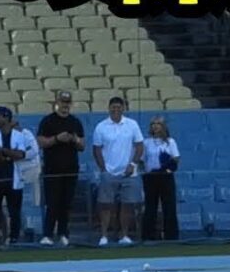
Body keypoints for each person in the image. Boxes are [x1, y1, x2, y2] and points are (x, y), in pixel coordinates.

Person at [92, 96, 145, 246]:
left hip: (129, 173)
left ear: (123, 108)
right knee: (105, 205)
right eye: (113, 107)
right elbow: (96, 150)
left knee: (127, 205)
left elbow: (139, 146)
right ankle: (104, 236)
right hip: (109, 172)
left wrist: (133, 164)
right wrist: (103, 169)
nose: (116, 110)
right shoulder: (101, 127)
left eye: (118, 107)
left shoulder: (132, 124)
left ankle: (124, 235)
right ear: (109, 108)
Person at [36, 91, 85, 247]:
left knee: (66, 203)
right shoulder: (48, 121)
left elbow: (82, 145)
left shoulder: (75, 122)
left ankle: (63, 234)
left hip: (70, 168)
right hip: (52, 169)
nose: (65, 105)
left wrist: (74, 139)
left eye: (67, 102)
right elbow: (41, 142)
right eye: (62, 102)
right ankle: (47, 234)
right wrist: (57, 138)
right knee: (52, 203)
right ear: (57, 102)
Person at [0, 107, 38, 247]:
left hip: (13, 176)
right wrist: (8, 154)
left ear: (6, 118)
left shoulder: (18, 135)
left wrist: (4, 151)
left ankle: (14, 237)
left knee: (14, 211)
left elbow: (20, 154)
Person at [142, 116, 181, 241]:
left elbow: (175, 158)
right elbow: (142, 160)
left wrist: (167, 167)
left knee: (169, 205)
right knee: (150, 206)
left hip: (165, 176)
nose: (155, 126)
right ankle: (148, 235)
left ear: (163, 126)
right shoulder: (146, 142)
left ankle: (171, 235)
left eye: (158, 124)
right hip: (151, 176)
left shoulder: (170, 142)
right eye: (153, 124)